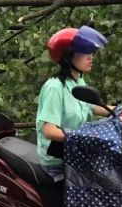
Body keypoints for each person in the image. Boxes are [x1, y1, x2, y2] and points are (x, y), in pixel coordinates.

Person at [36, 25, 112, 182]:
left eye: (92, 52)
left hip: (77, 154)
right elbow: (49, 131)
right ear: (68, 56)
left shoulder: (77, 81)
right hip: (59, 162)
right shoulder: (55, 87)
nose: (91, 57)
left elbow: (92, 106)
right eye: (86, 52)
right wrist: (82, 137)